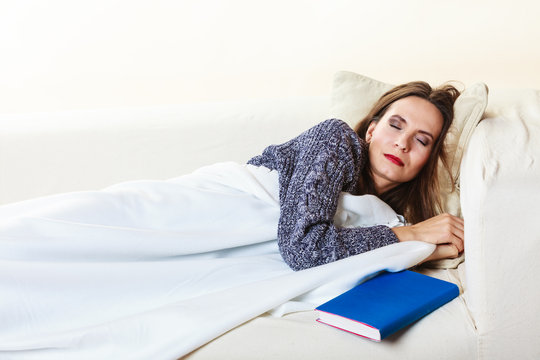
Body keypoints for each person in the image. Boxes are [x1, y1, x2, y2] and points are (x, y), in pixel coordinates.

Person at [247, 81, 465, 270]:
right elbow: (304, 248)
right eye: (395, 126)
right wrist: (413, 235)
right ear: (371, 131)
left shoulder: (386, 216)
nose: (402, 143)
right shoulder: (337, 138)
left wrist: (422, 251)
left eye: (421, 140)